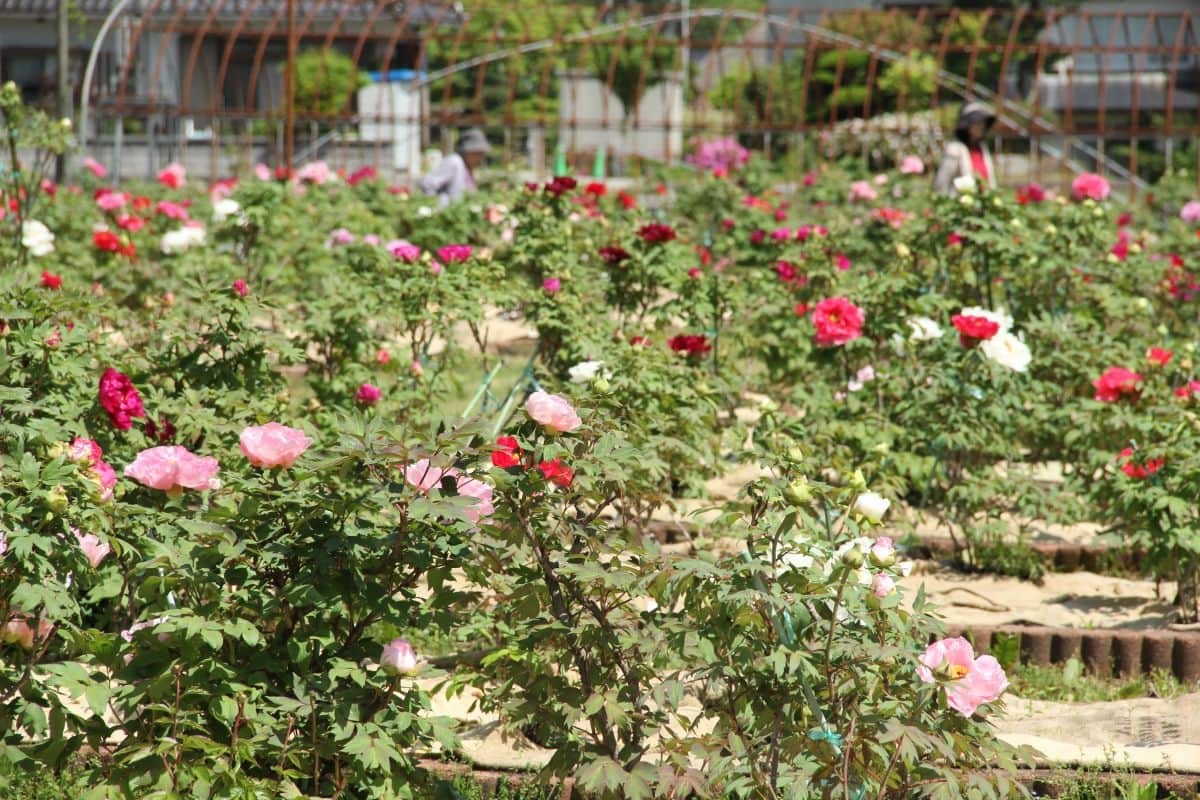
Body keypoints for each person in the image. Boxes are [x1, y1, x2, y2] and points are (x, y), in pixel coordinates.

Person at [933, 102, 998, 195]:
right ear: (967, 125)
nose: (981, 126)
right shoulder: (955, 149)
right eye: (977, 123)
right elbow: (942, 183)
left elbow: (990, 180)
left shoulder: (982, 148)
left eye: (983, 123)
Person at [418, 128, 491, 207]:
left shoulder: (467, 167)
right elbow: (427, 184)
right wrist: (441, 204)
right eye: (478, 153)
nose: (481, 158)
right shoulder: (454, 162)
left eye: (482, 154)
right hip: (446, 213)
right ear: (467, 151)